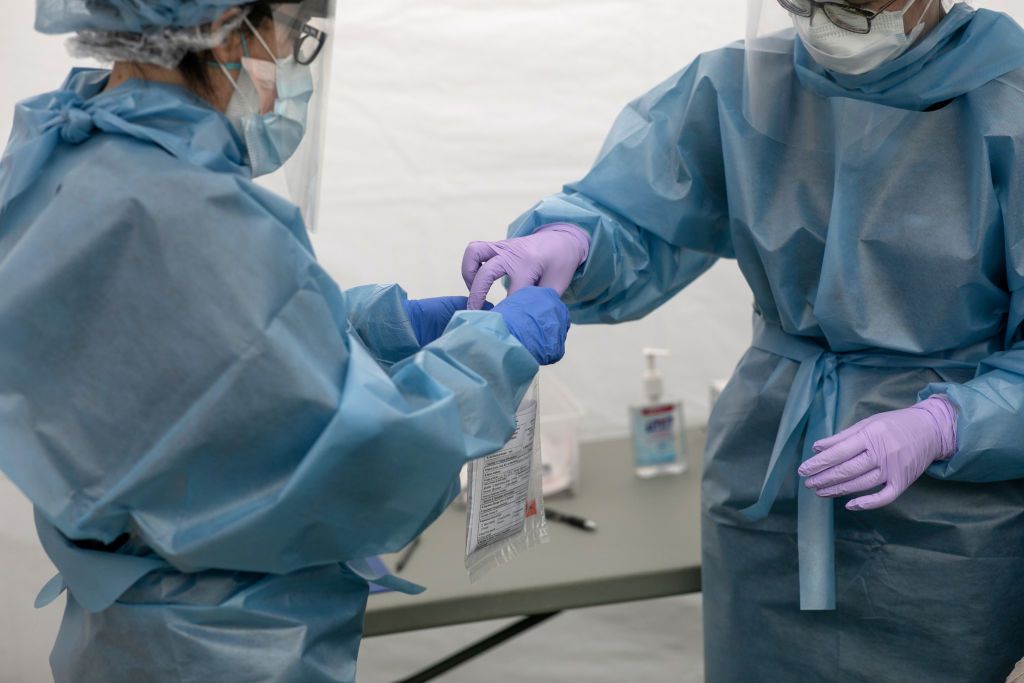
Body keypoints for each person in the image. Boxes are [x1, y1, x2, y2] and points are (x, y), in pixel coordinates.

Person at [0, 1, 571, 681]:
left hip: (125, 632)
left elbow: (196, 364)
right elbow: (369, 467)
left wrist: (377, 331)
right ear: (230, 30)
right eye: (292, 34)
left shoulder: (64, 148)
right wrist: (492, 354)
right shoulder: (191, 208)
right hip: (225, 643)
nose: (291, 63)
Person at [463, 0, 1024, 680]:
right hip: (768, 476)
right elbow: (636, 212)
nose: (821, 19)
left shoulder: (1008, 101)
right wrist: (572, 239)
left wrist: (947, 423)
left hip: (949, 523)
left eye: (850, 5)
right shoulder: (742, 84)